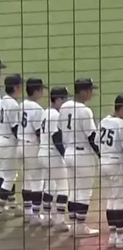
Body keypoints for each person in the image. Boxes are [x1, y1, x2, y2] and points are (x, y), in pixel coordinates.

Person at [59, 78, 100, 237]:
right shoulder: (84, 110)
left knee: (73, 190)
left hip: (68, 153)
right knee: (84, 192)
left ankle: (74, 225)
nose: (91, 94)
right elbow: (92, 137)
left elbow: (60, 130)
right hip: (82, 155)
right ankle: (80, 227)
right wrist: (101, 155)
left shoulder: (64, 106)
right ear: (82, 91)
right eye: (90, 90)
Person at [99, 95, 123, 248]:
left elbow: (96, 143)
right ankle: (120, 236)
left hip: (103, 161)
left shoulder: (103, 121)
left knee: (110, 199)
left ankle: (113, 235)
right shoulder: (121, 124)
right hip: (116, 162)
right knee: (119, 199)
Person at [38, 87, 70, 232]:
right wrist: (65, 155)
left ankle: (47, 216)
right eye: (64, 99)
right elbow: (56, 137)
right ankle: (60, 221)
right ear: (57, 99)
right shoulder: (55, 115)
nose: (65, 103)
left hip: (42, 152)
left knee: (49, 185)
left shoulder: (45, 112)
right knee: (64, 187)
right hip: (52, 154)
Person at [18, 78, 46, 225]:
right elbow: (38, 132)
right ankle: (35, 214)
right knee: (37, 180)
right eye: (41, 90)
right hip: (31, 146)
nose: (42, 93)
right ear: (36, 91)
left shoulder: (21, 104)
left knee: (26, 179)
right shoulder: (37, 109)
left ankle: (27, 211)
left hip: (20, 145)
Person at [0, 74, 22, 217]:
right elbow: (15, 128)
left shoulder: (1, 101)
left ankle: (12, 203)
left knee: (4, 173)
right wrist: (21, 141)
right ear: (16, 87)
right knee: (9, 177)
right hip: (9, 143)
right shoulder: (13, 105)